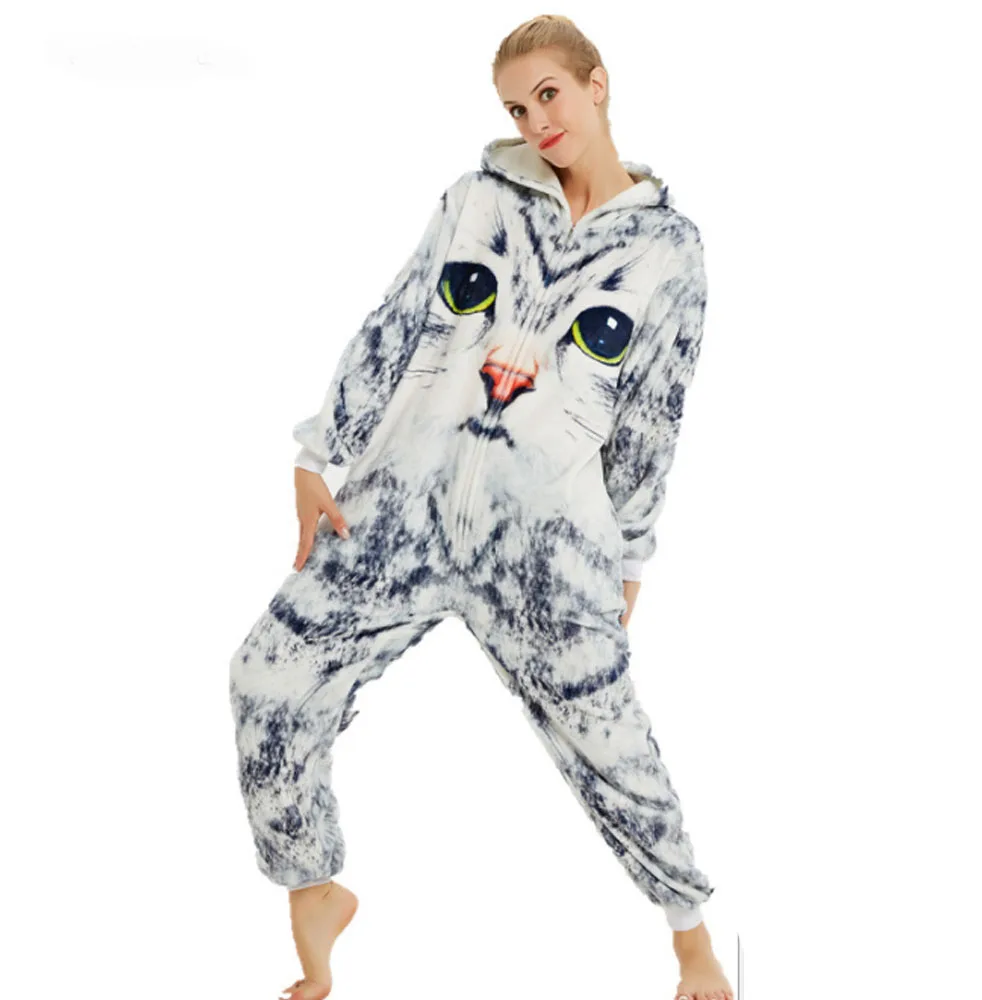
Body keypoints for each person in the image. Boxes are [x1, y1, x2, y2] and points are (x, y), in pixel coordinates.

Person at [229, 15, 733, 1000]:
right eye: (516, 107)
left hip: (545, 542)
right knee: (265, 678)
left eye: (549, 94)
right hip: (403, 504)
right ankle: (314, 890)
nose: (536, 121)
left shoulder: (669, 250)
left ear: (595, 84)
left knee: (610, 740)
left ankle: (691, 938)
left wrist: (630, 556)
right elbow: (397, 318)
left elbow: (653, 411)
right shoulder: (476, 199)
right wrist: (317, 452)